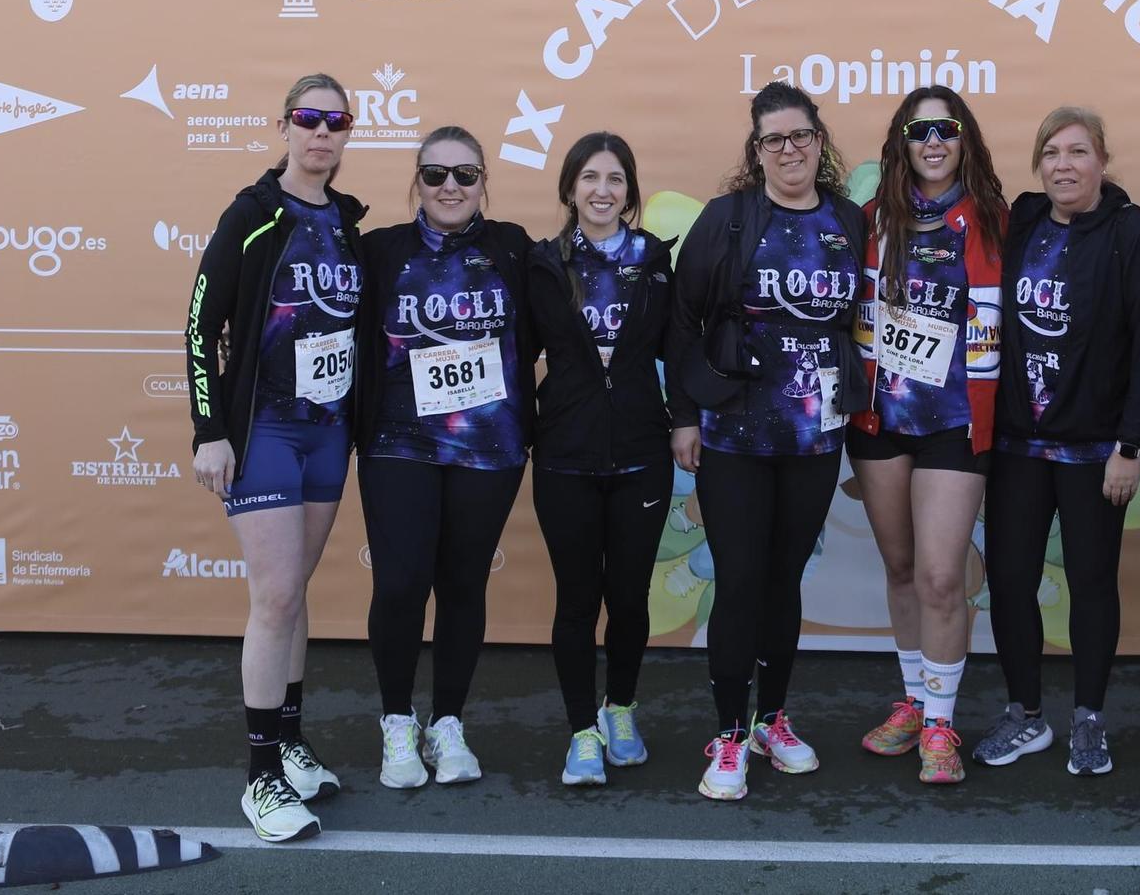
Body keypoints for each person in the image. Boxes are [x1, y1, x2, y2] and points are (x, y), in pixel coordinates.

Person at [666, 81, 867, 801]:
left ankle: (771, 719)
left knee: (785, 584)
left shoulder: (847, 220)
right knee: (741, 580)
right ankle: (727, 732)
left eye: (801, 136)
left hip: (815, 438)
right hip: (734, 436)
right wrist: (683, 417)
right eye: (774, 139)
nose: (790, 149)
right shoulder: (727, 219)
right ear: (756, 153)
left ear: (820, 142)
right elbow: (682, 319)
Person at [973, 106, 1140, 777]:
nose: (1065, 164)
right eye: (1052, 152)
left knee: (1092, 584)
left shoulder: (1132, 235)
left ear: (1102, 160)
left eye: (1079, 151)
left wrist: (1133, 444)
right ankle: (1025, 714)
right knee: (1009, 581)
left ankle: (1088, 717)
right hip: (1017, 447)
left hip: (1097, 452)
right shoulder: (1025, 219)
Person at [187, 74, 365, 843]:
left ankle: (290, 742)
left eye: (335, 121)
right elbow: (200, 326)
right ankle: (259, 776)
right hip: (263, 431)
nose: (321, 132)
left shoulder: (350, 224)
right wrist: (208, 430)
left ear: (347, 132)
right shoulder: (253, 215)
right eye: (308, 118)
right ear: (284, 125)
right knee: (276, 597)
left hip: (329, 430)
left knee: (295, 593)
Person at [353, 128, 534, 794]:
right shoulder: (380, 252)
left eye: (464, 173)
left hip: (489, 447)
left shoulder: (512, 247)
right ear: (416, 183)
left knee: (463, 583)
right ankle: (397, 720)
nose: (450, 187)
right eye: (435, 174)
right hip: (399, 442)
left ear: (485, 180)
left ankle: (448, 721)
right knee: (401, 582)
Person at [848, 88, 1009, 785]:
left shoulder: (998, 221)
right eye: (921, 131)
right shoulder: (868, 221)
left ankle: (942, 721)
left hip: (956, 419)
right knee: (904, 568)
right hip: (882, 418)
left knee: (945, 576)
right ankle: (914, 701)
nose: (934, 141)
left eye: (947, 129)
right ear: (902, 143)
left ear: (965, 138)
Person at [528, 132, 678, 786]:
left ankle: (621, 707)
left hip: (643, 452)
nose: (602, 190)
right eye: (590, 177)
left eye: (615, 178)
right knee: (576, 599)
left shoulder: (655, 260)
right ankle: (582, 728)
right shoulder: (541, 262)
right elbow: (509, 354)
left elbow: (682, 347)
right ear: (569, 189)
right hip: (565, 453)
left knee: (629, 596)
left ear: (630, 192)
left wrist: (692, 420)